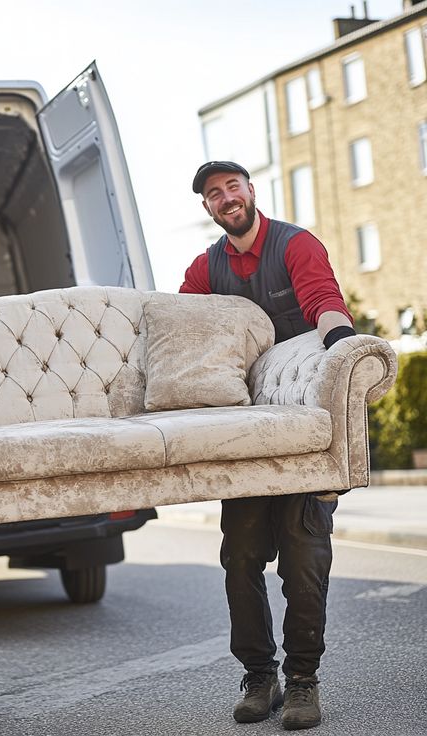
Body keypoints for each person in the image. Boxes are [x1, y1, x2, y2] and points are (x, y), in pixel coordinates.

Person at [181, 162, 356, 731]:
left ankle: (304, 682)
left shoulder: (295, 245)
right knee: (241, 559)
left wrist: (346, 350)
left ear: (251, 192)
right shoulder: (205, 268)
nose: (226, 198)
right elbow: (184, 331)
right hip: (245, 437)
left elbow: (324, 301)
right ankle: (261, 677)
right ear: (208, 208)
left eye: (233, 187)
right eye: (214, 194)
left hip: (303, 430)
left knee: (304, 561)